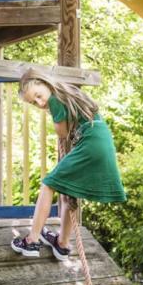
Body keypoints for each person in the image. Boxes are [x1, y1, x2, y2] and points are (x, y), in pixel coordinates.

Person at [11, 69, 126, 260]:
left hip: (90, 142)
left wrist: (54, 116)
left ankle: (32, 241)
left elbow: (62, 133)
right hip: (101, 140)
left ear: (45, 83)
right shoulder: (69, 93)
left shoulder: (55, 99)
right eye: (34, 103)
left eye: (38, 96)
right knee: (69, 192)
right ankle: (62, 244)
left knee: (48, 185)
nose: (40, 103)